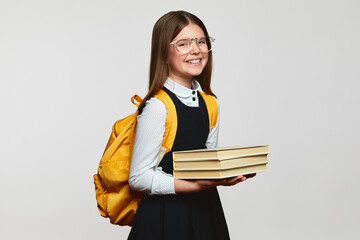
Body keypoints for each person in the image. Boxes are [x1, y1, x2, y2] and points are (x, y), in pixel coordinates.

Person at [127, 10, 255, 240]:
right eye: (183, 44)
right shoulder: (158, 107)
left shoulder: (210, 103)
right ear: (163, 53)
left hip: (205, 212)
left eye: (201, 41)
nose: (195, 49)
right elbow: (138, 177)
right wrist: (195, 186)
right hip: (164, 218)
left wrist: (224, 175)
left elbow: (207, 164)